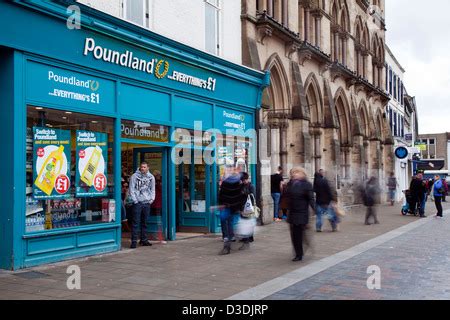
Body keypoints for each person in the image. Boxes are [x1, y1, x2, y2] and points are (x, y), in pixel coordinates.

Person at [285, 167, 315, 262]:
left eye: (296, 172)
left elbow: (311, 199)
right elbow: (287, 196)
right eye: (293, 173)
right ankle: (300, 249)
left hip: (302, 212)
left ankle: (299, 254)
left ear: (302, 174)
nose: (294, 174)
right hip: (292, 213)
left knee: (298, 234)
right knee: (294, 235)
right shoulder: (290, 184)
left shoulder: (307, 185)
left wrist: (316, 210)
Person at [218, 167, 246, 255]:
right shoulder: (238, 184)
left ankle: (227, 243)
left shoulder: (225, 183)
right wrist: (240, 207)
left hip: (226, 206)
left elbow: (221, 195)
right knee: (231, 224)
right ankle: (231, 238)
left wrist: (221, 204)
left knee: (225, 223)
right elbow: (241, 196)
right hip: (234, 207)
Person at [128, 162, 156, 249]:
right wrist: (135, 201)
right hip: (138, 203)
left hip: (146, 202)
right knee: (135, 223)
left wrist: (151, 199)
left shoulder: (151, 177)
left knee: (145, 223)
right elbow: (131, 189)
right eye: (141, 167)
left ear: (148, 168)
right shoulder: (134, 176)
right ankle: (134, 241)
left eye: (144, 167)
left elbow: (152, 189)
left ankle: (144, 240)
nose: (143, 168)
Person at [239, 172, 256, 250]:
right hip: (242, 206)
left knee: (248, 221)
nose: (243, 181)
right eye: (242, 180)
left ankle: (249, 237)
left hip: (249, 207)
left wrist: (244, 193)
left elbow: (253, 196)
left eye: (244, 180)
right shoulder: (241, 185)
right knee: (244, 221)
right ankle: (246, 237)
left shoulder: (251, 186)